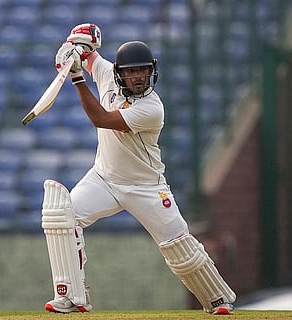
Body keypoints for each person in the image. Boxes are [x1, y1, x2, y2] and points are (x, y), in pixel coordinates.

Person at [42, 23, 236, 315]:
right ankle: (71, 296)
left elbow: (102, 119)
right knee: (62, 216)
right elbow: (90, 55)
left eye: (142, 71)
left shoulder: (152, 109)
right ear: (120, 73)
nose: (137, 77)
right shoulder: (107, 74)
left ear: (151, 72)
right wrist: (77, 50)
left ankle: (218, 299)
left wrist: (77, 78)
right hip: (104, 178)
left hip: (146, 187)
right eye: (131, 71)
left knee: (179, 247)